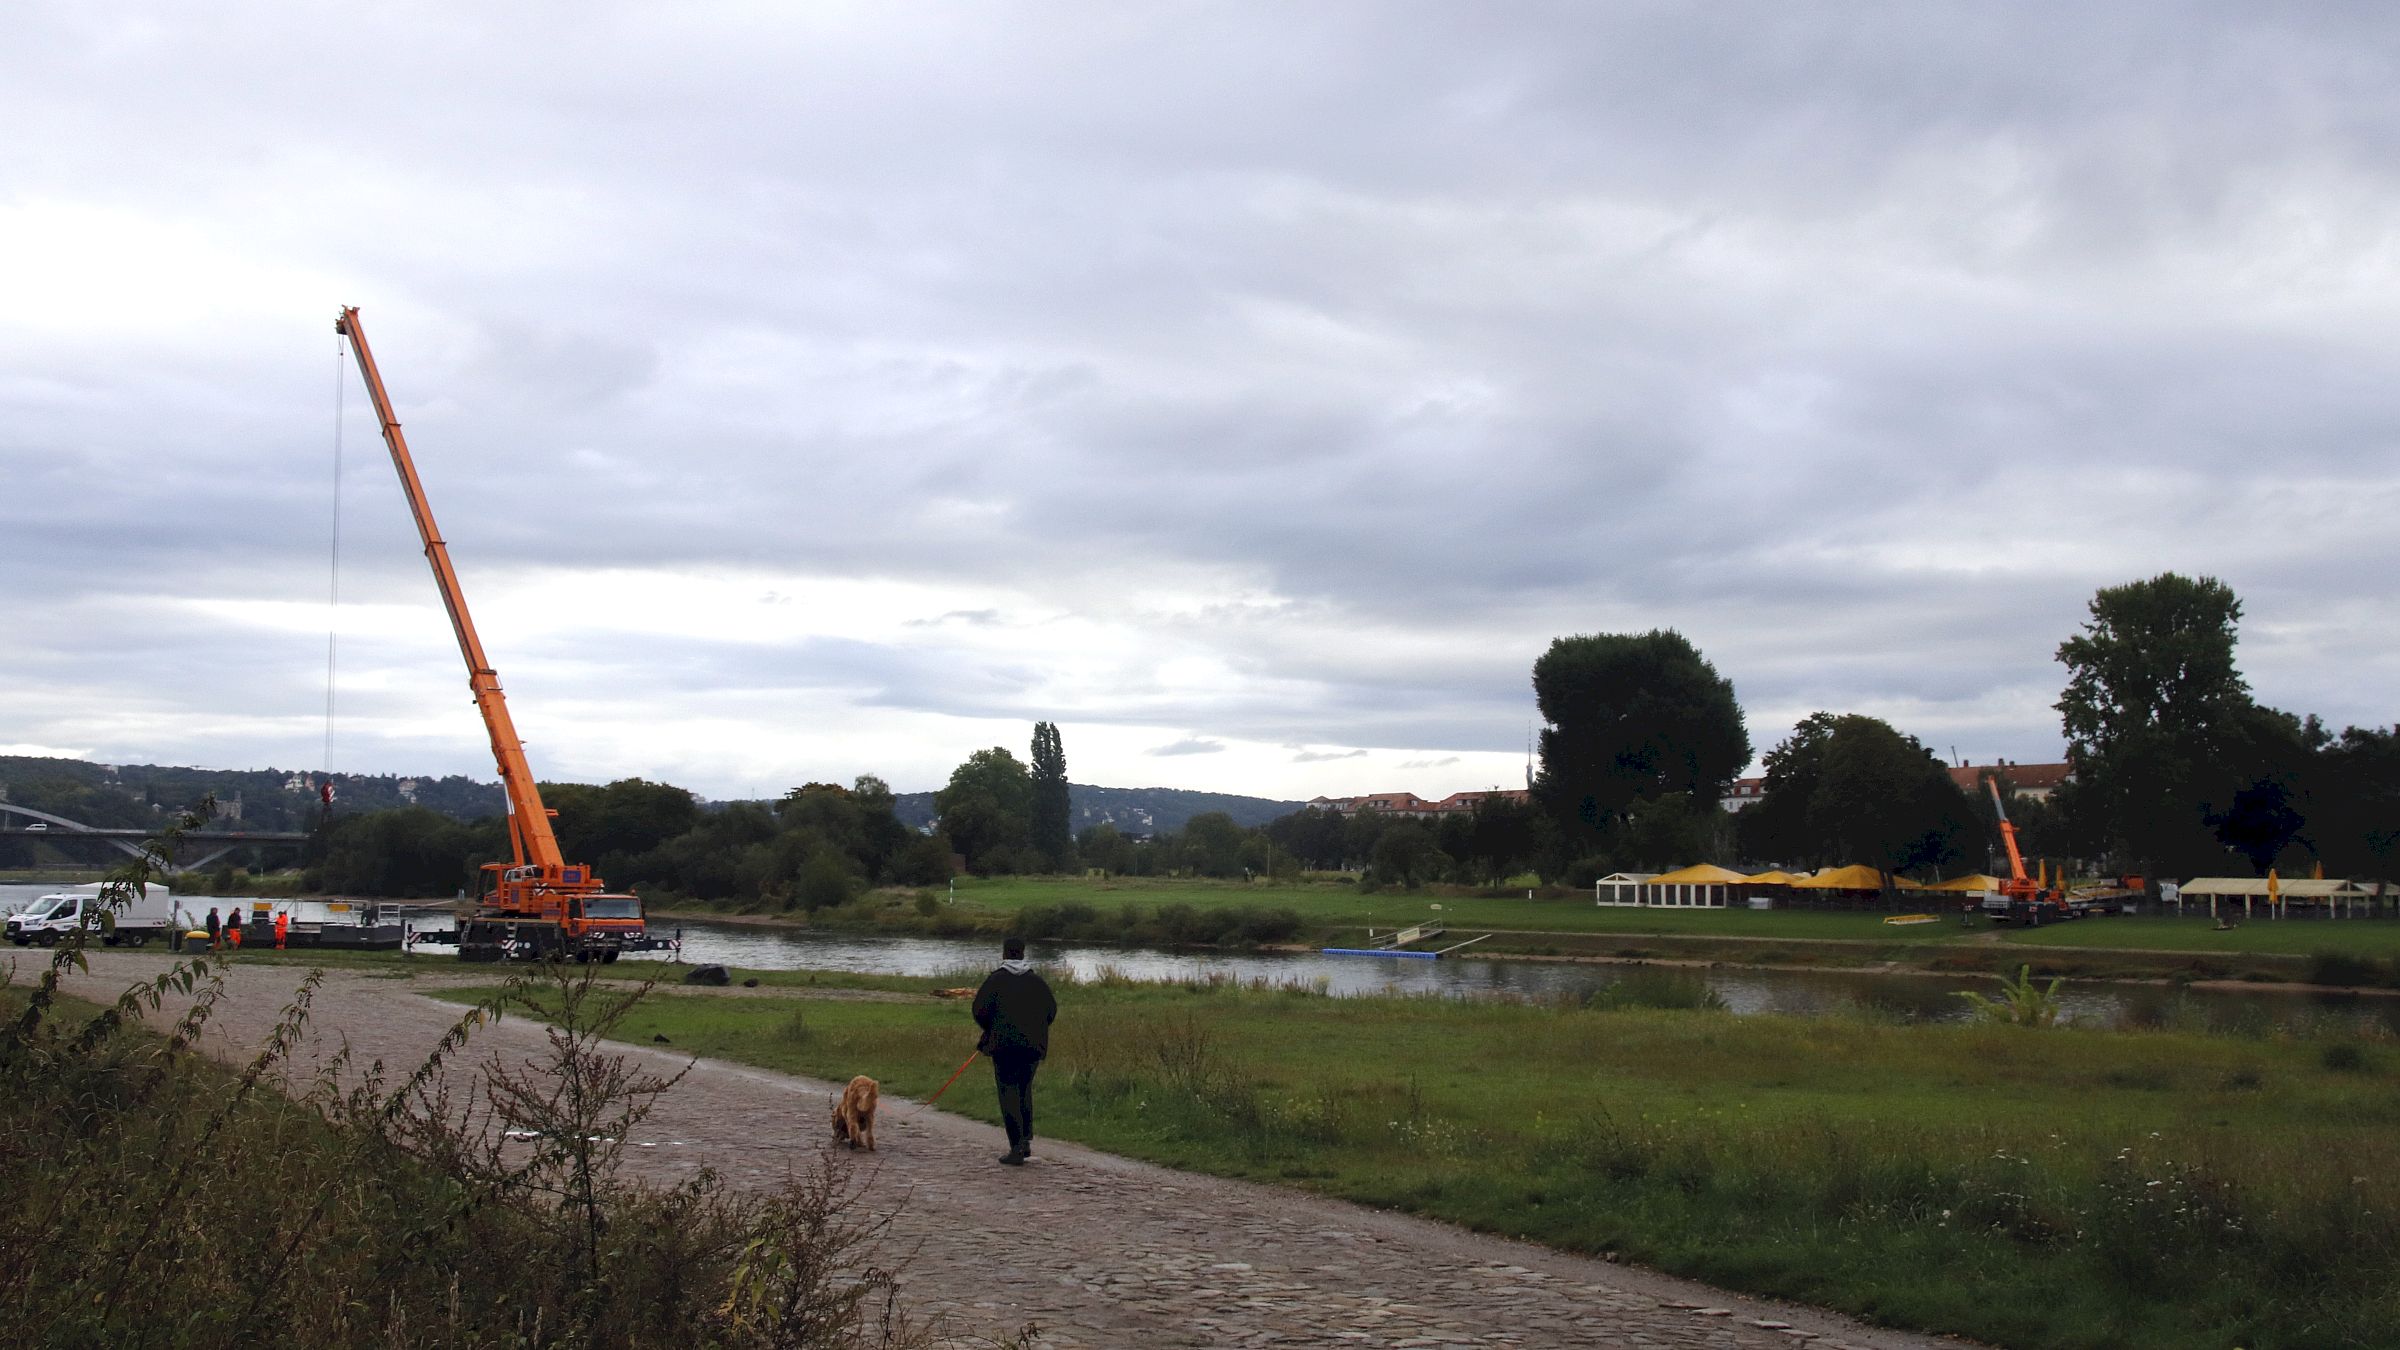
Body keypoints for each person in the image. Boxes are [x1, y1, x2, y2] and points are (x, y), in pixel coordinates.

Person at [970, 936, 1056, 1167]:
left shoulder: (995, 981)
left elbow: (979, 1010)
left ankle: (1017, 1146)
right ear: (1023, 953)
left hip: (1004, 1047)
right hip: (1032, 1048)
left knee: (1008, 1093)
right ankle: (1025, 1140)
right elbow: (1050, 1011)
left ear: (1004, 953)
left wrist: (992, 1029)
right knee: (1024, 1090)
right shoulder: (1037, 982)